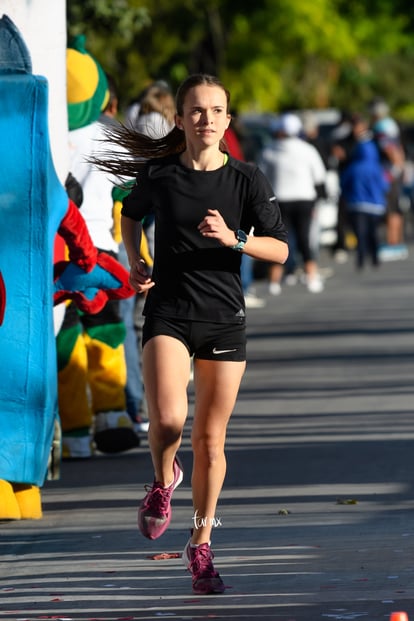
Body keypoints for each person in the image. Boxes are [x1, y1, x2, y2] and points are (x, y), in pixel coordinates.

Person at [95, 73, 288, 594]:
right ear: (180, 119)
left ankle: (201, 544)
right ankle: (163, 481)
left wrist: (235, 238)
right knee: (167, 421)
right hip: (169, 312)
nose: (206, 119)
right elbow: (129, 218)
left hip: (224, 317)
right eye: (196, 111)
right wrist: (137, 258)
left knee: (209, 440)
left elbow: (281, 249)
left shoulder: (248, 180)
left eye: (216, 110)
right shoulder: (158, 174)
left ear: (228, 120)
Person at [259, 112, 326, 294]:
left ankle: (274, 281)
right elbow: (319, 177)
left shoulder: (270, 150)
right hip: (305, 199)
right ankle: (311, 277)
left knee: (279, 240)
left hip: (279, 201)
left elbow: (261, 178)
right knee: (305, 239)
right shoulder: (308, 149)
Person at [340, 115, 389, 269]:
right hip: (376, 206)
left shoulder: (352, 168)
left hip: (356, 205)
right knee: (373, 233)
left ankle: (361, 259)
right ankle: (375, 258)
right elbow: (384, 186)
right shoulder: (377, 168)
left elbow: (343, 185)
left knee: (360, 234)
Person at [368, 97, 406, 251]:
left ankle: (392, 242)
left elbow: (390, 149)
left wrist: (393, 171)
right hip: (394, 172)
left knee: (390, 208)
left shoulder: (380, 127)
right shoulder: (391, 124)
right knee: (396, 207)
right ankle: (396, 240)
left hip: (388, 173)